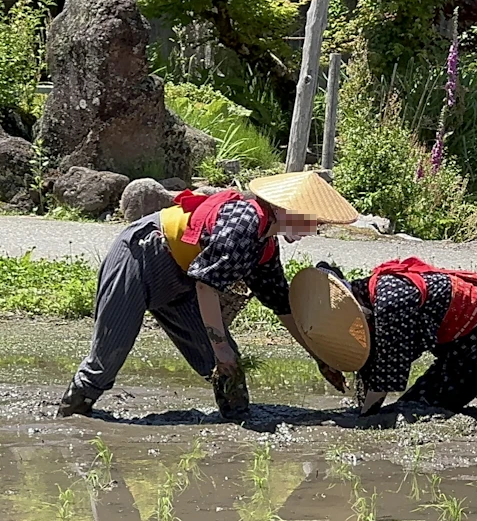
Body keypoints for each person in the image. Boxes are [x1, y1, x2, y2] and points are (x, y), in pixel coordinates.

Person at [58, 171, 359, 421]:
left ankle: (237, 421)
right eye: (311, 221)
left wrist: (320, 358)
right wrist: (220, 346)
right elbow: (206, 285)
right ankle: (68, 420)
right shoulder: (245, 225)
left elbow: (281, 305)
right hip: (141, 257)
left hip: (182, 280)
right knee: (105, 360)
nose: (313, 230)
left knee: (228, 366)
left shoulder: (265, 244)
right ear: (284, 209)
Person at [289, 258, 477, 424]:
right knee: (418, 408)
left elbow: (385, 375)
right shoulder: (370, 296)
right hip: (460, 347)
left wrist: (363, 418)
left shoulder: (391, 302)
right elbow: (372, 364)